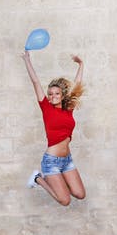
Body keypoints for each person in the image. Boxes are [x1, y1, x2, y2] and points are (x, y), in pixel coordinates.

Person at [21, 50, 86, 206]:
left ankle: (57, 182)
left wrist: (81, 64)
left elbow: (77, 84)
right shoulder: (46, 108)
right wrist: (27, 60)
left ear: (62, 95)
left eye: (56, 93)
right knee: (65, 201)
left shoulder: (68, 108)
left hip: (67, 160)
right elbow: (36, 82)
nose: (52, 96)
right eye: (50, 94)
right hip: (51, 162)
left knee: (80, 194)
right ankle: (38, 178)